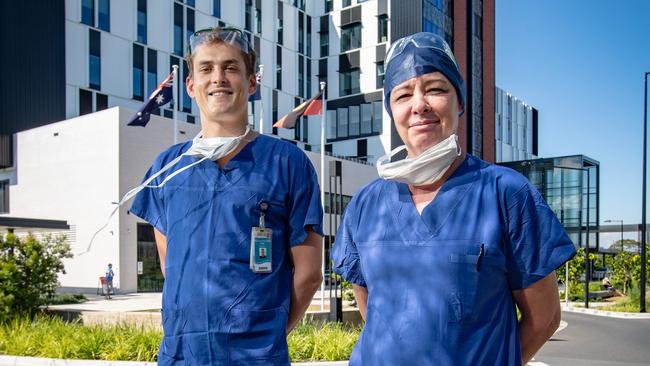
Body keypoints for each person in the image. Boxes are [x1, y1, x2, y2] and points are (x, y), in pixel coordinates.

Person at [331, 32, 576, 366]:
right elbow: (372, 308)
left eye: (435, 89)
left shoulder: (506, 194)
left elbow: (544, 318)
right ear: (391, 110)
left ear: (460, 102)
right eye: (403, 95)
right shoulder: (365, 204)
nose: (419, 105)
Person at [129, 27, 323, 365]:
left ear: (251, 83)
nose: (218, 78)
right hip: (181, 354)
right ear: (191, 86)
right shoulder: (167, 168)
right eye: (206, 68)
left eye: (231, 67)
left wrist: (265, 338)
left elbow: (308, 275)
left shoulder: (288, 163)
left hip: (257, 357)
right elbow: (171, 266)